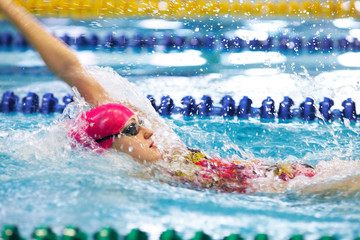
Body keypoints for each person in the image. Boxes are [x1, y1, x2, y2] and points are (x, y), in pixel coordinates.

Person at [0, 0, 325, 194]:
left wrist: (9, 7)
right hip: (271, 188)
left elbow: (71, 69)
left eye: (139, 123)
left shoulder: (165, 150)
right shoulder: (128, 173)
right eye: (132, 130)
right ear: (107, 146)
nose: (148, 130)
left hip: (279, 176)